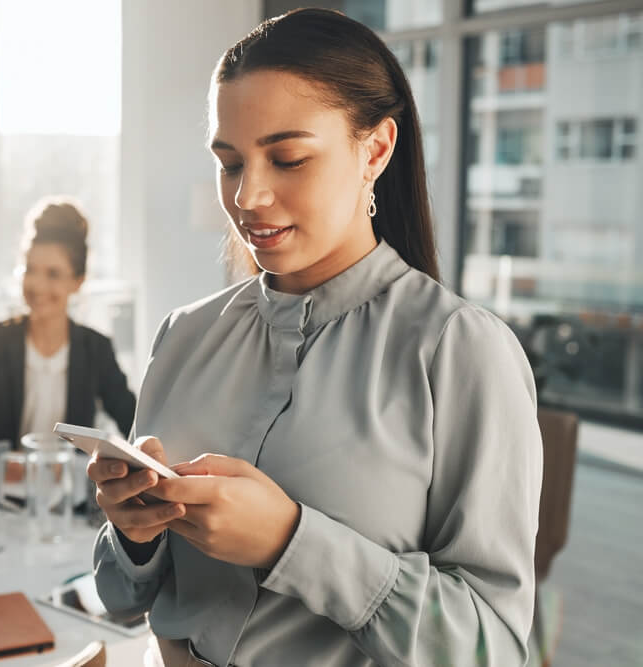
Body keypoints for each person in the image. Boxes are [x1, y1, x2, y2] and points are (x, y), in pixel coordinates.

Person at [89, 9, 542, 667]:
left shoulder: (460, 352)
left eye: (288, 158)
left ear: (375, 150)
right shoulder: (183, 334)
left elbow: (490, 649)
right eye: (229, 162)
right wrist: (132, 535)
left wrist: (291, 541)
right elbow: (120, 598)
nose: (248, 195)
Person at [0, 197, 136, 449]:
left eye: (53, 274)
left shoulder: (96, 348)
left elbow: (135, 424)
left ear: (78, 281)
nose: (37, 285)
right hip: (1, 484)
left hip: (70, 485)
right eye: (30, 270)